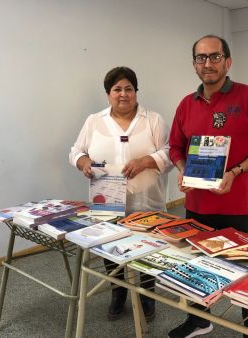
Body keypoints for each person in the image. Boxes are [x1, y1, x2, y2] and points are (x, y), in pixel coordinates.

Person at [168, 35, 248, 338]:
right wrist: (182, 169)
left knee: (244, 271)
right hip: (197, 206)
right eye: (201, 58)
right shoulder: (186, 104)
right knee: (196, 268)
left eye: (214, 57)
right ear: (194, 65)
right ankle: (198, 320)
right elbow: (175, 147)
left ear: (227, 61)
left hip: (236, 206)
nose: (208, 64)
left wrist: (236, 171)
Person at [69, 66, 172, 322]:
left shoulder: (154, 120)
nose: (123, 94)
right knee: (110, 248)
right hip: (108, 202)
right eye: (117, 89)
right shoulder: (94, 121)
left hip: (147, 201)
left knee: (148, 249)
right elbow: (75, 151)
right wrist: (83, 163)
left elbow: (171, 154)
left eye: (129, 89)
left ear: (136, 92)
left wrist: (146, 161)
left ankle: (148, 295)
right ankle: (118, 293)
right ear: (108, 94)